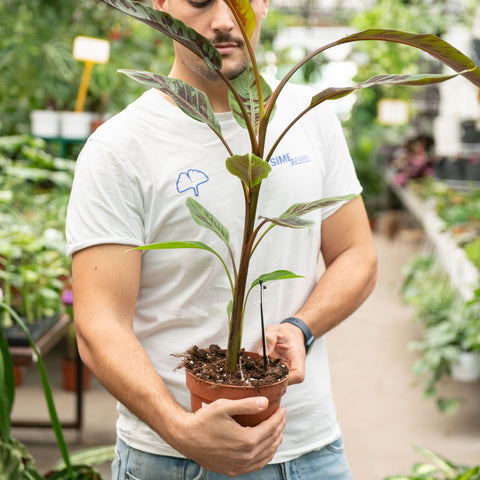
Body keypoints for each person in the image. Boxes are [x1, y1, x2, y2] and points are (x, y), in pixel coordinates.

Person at [66, 0, 377, 478]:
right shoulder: (120, 148)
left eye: (241, 2)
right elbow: (98, 323)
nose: (224, 22)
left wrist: (301, 326)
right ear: (161, 6)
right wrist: (179, 428)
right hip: (171, 459)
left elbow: (356, 254)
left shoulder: (309, 117)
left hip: (313, 451)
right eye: (199, 1)